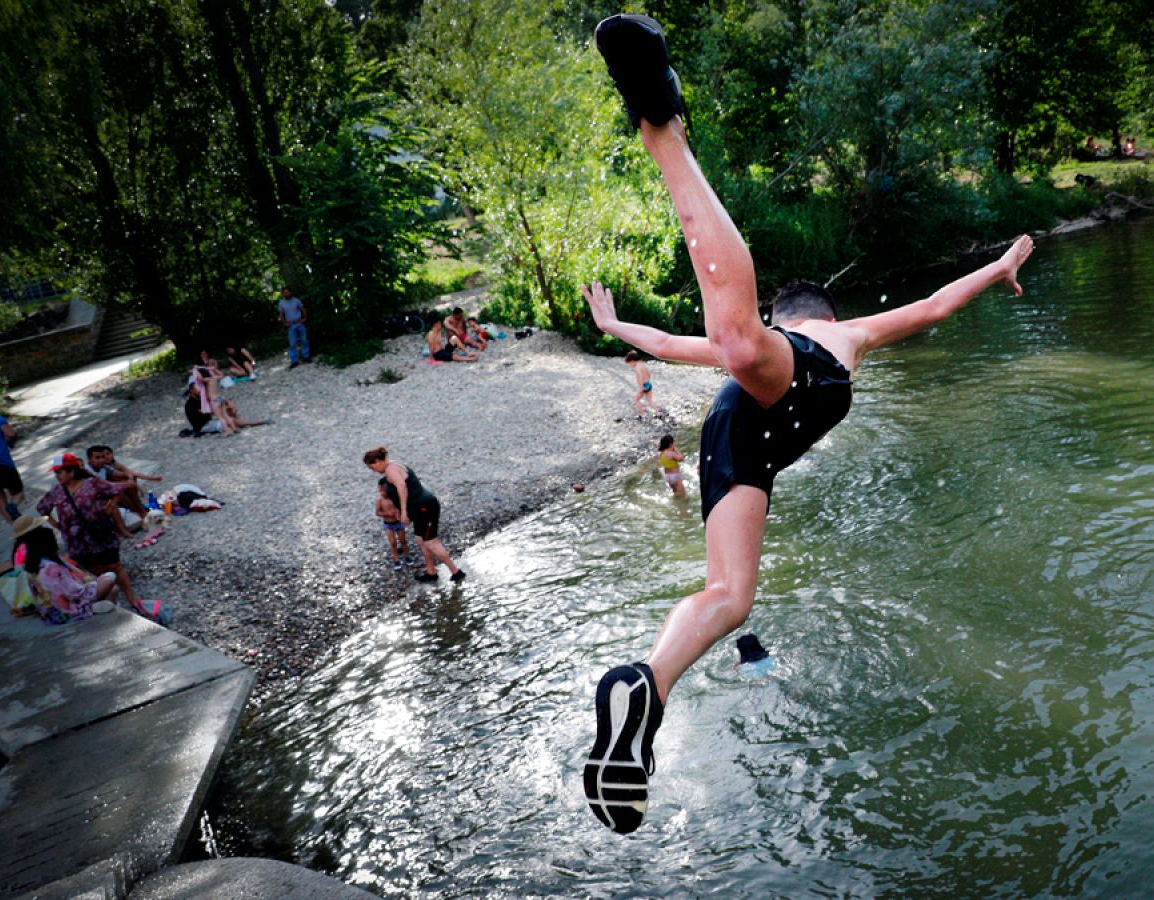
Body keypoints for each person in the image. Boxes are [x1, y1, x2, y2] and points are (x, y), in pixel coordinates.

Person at [579, 12, 1036, 835]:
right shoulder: (840, 331)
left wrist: (616, 329)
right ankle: (664, 130)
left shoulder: (758, 343)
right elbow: (932, 306)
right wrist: (997, 266)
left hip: (734, 437)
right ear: (814, 312)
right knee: (735, 339)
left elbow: (662, 340)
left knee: (731, 595)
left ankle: (646, 686)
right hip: (780, 389)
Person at [35, 453, 152, 617]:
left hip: (102, 535)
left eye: (60, 472)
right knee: (95, 571)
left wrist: (113, 504)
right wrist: (58, 525)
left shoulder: (92, 484)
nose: (57, 476)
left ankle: (132, 600)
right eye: (56, 473)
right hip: (78, 543)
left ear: (72, 472)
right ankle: (112, 601)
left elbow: (120, 487)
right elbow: (42, 509)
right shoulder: (56, 491)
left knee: (115, 566)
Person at [362, 447, 466, 584]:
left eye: (372, 467)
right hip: (418, 508)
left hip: (425, 507)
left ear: (378, 461)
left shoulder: (391, 469)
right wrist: (400, 510)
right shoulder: (394, 466)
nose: (373, 471)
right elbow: (397, 493)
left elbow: (402, 486)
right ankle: (431, 572)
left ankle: (456, 572)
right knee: (420, 539)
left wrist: (404, 511)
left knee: (431, 542)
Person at [10, 515, 124, 624]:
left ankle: (103, 608)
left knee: (109, 588)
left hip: (48, 612)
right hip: (66, 610)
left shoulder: (26, 557)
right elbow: (74, 593)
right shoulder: (48, 566)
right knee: (110, 579)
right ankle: (91, 609)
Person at [85, 445, 162, 510]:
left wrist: (130, 479)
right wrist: (124, 483)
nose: (103, 459)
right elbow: (105, 485)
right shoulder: (87, 471)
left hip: (108, 489)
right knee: (121, 489)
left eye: (106, 455)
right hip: (99, 495)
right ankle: (137, 510)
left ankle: (139, 508)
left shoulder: (108, 466)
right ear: (89, 459)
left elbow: (127, 473)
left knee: (128, 482)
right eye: (98, 458)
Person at [375, 486, 411, 570]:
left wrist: (398, 512)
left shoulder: (394, 498)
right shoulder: (380, 501)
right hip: (388, 524)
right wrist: (387, 514)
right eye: (381, 492)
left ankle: (407, 556)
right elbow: (377, 512)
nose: (383, 493)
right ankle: (396, 559)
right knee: (393, 542)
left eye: (384, 492)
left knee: (403, 541)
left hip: (398, 522)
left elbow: (401, 507)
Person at [0, 412, 24, 521]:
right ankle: (13, 505)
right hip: (3, 463)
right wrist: (11, 443)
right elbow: (11, 434)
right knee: (18, 493)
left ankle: (15, 526)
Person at [279, 287, 310, 368]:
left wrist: (305, 318)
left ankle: (306, 357)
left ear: (290, 292)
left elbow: (303, 309)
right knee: (292, 343)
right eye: (284, 292)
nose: (286, 294)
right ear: (282, 294)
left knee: (304, 340)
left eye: (287, 292)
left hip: (299, 322)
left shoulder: (296, 300)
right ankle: (294, 361)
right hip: (291, 325)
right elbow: (281, 315)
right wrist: (285, 323)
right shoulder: (281, 303)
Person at [625, 350, 661, 419]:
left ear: (632, 361)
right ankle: (658, 412)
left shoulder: (636, 368)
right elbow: (648, 374)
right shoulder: (641, 365)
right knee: (649, 399)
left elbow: (640, 376)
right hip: (648, 384)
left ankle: (642, 414)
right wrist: (647, 381)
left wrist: (641, 387)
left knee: (636, 400)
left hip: (644, 386)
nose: (630, 365)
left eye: (629, 363)